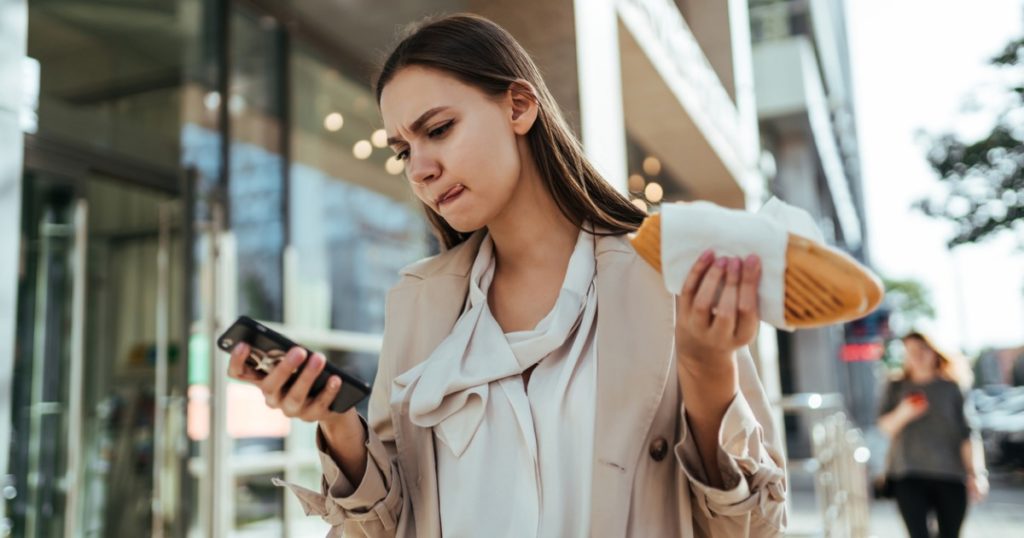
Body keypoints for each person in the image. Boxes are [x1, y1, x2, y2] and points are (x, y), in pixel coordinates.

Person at [228, 13, 787, 537]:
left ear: (519, 106)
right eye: (404, 152)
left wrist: (709, 374)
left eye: (440, 129)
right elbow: (387, 524)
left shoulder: (662, 276)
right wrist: (337, 424)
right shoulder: (418, 301)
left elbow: (757, 526)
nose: (421, 169)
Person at [877, 331, 989, 538]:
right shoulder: (896, 387)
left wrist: (977, 474)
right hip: (908, 473)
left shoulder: (952, 388)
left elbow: (968, 434)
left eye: (922, 350)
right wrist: (904, 412)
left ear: (935, 352)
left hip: (950, 474)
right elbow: (884, 428)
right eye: (910, 351)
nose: (916, 356)